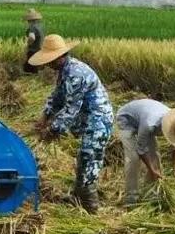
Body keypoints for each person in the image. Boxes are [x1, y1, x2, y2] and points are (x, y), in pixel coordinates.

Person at [31, 34, 113, 214]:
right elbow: (56, 97)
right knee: (83, 157)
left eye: (50, 60)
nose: (47, 64)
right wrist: (44, 117)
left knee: (89, 157)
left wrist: (52, 131)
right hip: (86, 119)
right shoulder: (64, 72)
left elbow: (70, 110)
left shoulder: (76, 74)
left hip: (98, 119)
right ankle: (78, 197)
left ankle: (92, 208)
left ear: (60, 56)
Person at [116, 99, 175, 206]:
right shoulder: (150, 125)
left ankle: (151, 193)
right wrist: (152, 169)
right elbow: (141, 150)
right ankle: (131, 198)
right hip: (126, 119)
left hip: (144, 116)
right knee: (133, 158)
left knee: (155, 156)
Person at [23, 8, 45, 74]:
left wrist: (28, 44)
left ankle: (31, 78)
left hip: (34, 49)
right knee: (36, 64)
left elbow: (32, 37)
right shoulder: (40, 26)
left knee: (29, 66)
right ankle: (36, 77)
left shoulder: (32, 27)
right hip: (40, 48)